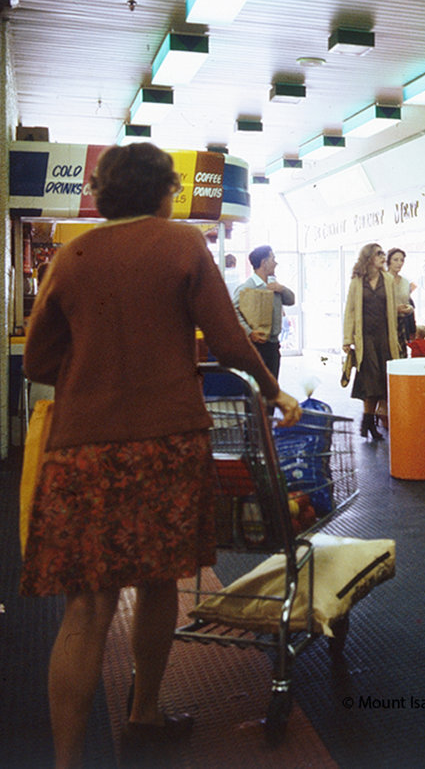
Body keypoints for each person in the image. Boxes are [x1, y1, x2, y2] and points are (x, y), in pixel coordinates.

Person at [19, 143, 301, 769]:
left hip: (82, 449)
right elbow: (229, 343)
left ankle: (66, 760)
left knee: (87, 605)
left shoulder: (71, 256)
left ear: (103, 193)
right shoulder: (181, 245)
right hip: (166, 442)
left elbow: (39, 361)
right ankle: (145, 710)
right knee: (157, 581)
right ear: (162, 191)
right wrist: (277, 391)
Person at [343, 243, 401, 440]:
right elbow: (350, 310)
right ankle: (368, 421)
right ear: (368, 258)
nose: (383, 257)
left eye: (383, 254)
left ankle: (368, 421)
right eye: (378, 254)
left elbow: (392, 309)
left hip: (385, 337)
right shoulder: (357, 282)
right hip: (365, 338)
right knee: (371, 379)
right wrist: (347, 339)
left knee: (381, 379)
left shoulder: (388, 279)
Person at [232, 245, 295, 380]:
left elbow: (291, 300)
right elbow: (233, 311)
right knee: (258, 389)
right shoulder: (248, 287)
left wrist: (282, 289)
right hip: (256, 347)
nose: (275, 263)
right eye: (273, 259)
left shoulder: (274, 285)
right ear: (264, 263)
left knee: (272, 388)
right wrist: (249, 332)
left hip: (273, 346)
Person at [386, 247, 416, 356]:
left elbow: (409, 302)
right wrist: (394, 309)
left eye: (402, 260)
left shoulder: (405, 282)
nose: (399, 263)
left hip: (402, 324)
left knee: (402, 355)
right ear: (388, 260)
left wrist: (409, 308)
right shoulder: (381, 280)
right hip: (385, 325)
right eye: (395, 259)